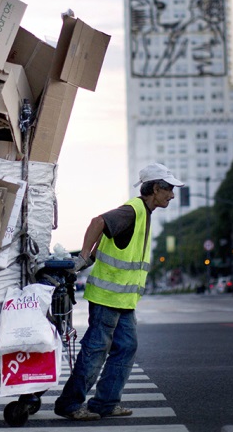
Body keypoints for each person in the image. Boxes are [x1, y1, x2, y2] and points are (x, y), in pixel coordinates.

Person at [54, 163, 183, 421]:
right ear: (155, 188)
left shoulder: (142, 213)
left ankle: (105, 403)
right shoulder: (133, 210)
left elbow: (108, 236)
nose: (172, 195)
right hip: (108, 298)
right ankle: (69, 404)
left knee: (126, 347)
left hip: (122, 299)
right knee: (96, 349)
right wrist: (82, 256)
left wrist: (91, 256)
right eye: (168, 189)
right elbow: (98, 222)